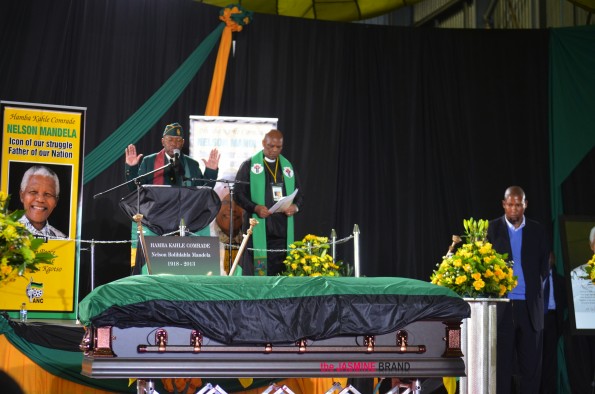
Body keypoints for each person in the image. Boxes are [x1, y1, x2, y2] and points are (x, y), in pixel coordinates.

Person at [487, 186, 550, 394]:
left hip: (530, 307)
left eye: (518, 204)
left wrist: (535, 290)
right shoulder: (491, 229)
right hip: (503, 307)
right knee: (501, 367)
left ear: (525, 205)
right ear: (504, 204)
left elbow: (544, 265)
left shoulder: (538, 230)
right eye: (510, 204)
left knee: (531, 367)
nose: (514, 209)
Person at [234, 129, 304, 276]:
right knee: (258, 273)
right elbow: (238, 195)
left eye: (278, 147)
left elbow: (300, 195)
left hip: (281, 231)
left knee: (280, 273)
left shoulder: (287, 168)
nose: (274, 150)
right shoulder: (249, 166)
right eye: (270, 146)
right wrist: (255, 207)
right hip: (258, 229)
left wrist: (295, 207)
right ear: (263, 143)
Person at [125, 122, 220, 188]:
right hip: (157, 212)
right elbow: (136, 189)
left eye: (178, 140)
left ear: (183, 143)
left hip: (183, 213)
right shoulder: (149, 161)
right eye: (170, 139)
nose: (174, 144)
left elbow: (202, 191)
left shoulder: (192, 164)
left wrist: (211, 172)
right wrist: (132, 168)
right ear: (163, 141)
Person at [539, 252, 566, 394]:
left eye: (551, 256)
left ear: (554, 259)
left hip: (552, 320)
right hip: (536, 320)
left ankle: (549, 390)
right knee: (535, 356)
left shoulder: (561, 280)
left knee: (550, 359)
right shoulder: (534, 278)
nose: (548, 259)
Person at [18, 165, 66, 239]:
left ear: (56, 201)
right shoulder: (5, 233)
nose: (40, 199)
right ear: (22, 195)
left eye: (48, 194)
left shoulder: (63, 240)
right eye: (33, 192)